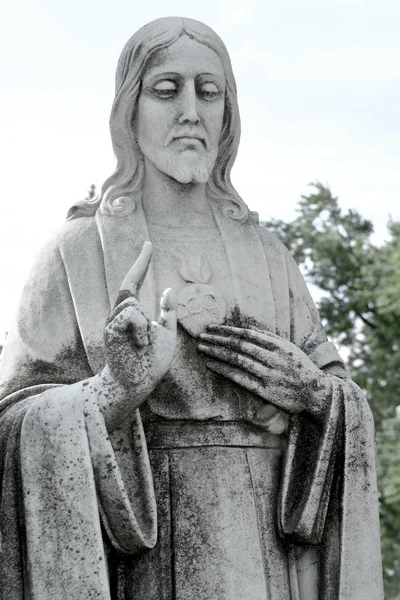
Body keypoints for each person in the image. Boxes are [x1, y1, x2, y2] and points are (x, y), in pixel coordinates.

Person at [0, 17, 383, 600]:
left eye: (209, 92)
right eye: (166, 89)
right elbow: (15, 421)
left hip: (269, 555)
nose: (190, 110)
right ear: (130, 108)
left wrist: (314, 394)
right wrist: (113, 390)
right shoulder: (75, 252)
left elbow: (341, 397)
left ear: (228, 114)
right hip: (140, 557)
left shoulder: (269, 254)